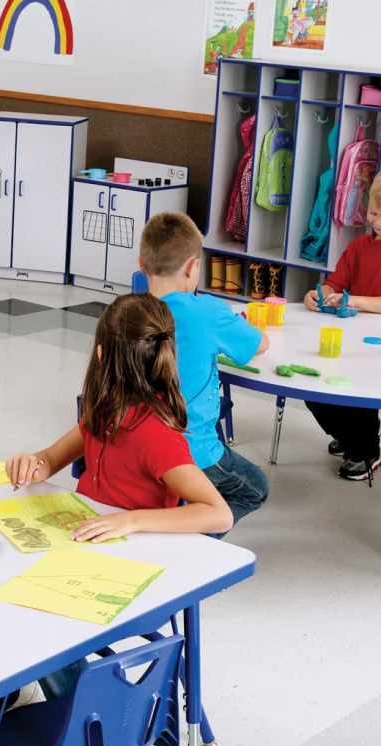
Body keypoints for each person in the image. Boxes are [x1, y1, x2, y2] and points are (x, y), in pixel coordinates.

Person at [6, 291, 232, 705]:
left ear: (100, 355)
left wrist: (131, 519)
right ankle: (9, 698)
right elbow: (50, 459)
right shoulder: (108, 406)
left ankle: (91, 716)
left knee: (33, 613)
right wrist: (29, 463)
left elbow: (219, 514)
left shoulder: (155, 434)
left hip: (132, 567)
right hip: (87, 547)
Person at [138, 211, 269, 527]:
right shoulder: (209, 312)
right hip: (193, 451)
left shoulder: (128, 312)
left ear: (141, 264)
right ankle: (191, 537)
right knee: (255, 489)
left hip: (138, 445)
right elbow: (260, 344)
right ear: (192, 267)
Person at [303, 164, 381, 481]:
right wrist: (319, 294)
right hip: (356, 336)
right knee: (313, 387)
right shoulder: (359, 246)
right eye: (373, 212)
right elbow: (334, 283)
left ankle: (365, 450)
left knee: (361, 385)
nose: (377, 222)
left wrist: (356, 301)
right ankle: (356, 434)